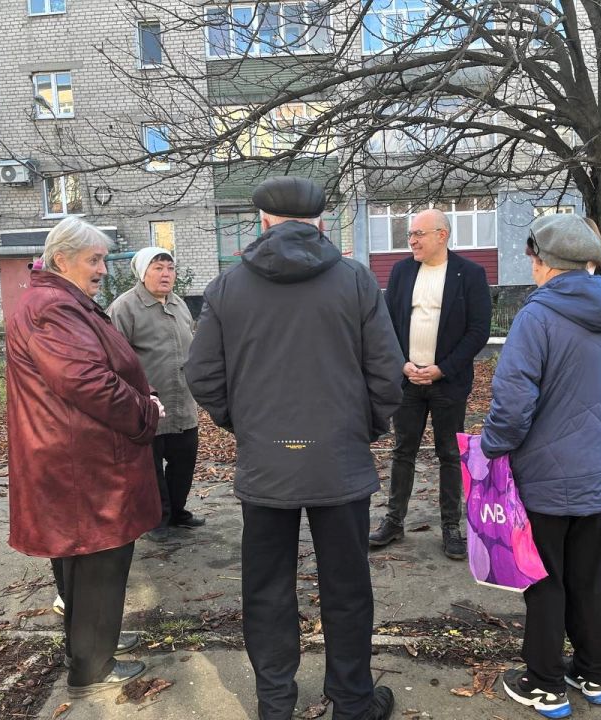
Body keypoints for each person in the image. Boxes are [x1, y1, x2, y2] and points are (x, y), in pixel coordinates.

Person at [185, 177, 404, 720]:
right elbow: (386, 375)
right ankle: (352, 703)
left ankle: (275, 704)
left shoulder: (228, 286)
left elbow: (203, 375)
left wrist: (247, 426)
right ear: (320, 222)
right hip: (339, 461)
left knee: (266, 588)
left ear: (263, 221)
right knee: (347, 586)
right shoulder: (355, 280)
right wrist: (361, 428)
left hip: (267, 462)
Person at [481, 214, 601, 718]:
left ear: (545, 261)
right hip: (596, 472)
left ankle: (545, 683)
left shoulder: (537, 316)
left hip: (543, 476)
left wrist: (491, 448)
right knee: (587, 576)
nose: (531, 266)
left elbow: (512, 405)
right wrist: (592, 437)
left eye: (532, 258)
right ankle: (596, 674)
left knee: (543, 578)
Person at [6, 216, 164, 698]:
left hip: (75, 456)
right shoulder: (54, 307)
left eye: (103, 259)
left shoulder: (57, 301)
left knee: (81, 557)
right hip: (83, 463)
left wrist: (143, 394)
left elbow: (97, 369)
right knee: (99, 558)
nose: (102, 269)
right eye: (94, 260)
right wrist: (145, 411)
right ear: (61, 260)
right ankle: (92, 665)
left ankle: (89, 645)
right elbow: (87, 381)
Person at [368, 208, 492, 559]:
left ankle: (451, 527)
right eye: (410, 234)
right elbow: (387, 324)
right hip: (408, 380)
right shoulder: (402, 271)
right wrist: (402, 363)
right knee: (402, 451)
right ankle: (394, 521)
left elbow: (478, 330)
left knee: (449, 454)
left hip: (448, 382)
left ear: (442, 235)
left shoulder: (469, 274)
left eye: (418, 234)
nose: (411, 240)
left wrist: (442, 369)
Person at [108, 247, 203, 542]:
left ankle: (177, 512)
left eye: (170, 268)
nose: (166, 274)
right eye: (158, 268)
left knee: (184, 460)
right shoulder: (124, 308)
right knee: (150, 469)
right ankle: (155, 519)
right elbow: (113, 358)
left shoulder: (179, 304)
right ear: (142, 273)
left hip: (182, 401)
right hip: (147, 405)